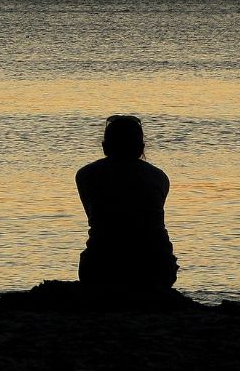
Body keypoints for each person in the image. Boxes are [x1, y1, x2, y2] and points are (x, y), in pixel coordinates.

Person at [75, 115, 178, 289]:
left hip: (101, 269)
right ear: (141, 148)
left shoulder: (86, 175)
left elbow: (96, 218)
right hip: (157, 269)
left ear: (105, 147)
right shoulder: (159, 177)